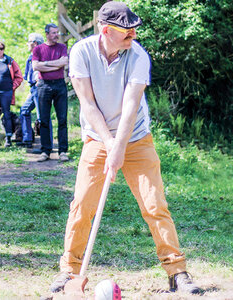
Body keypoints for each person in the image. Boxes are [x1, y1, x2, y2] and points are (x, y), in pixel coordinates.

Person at [50, 1, 200, 294]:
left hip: (137, 140)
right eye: (126, 28)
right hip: (97, 139)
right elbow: (87, 103)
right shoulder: (81, 52)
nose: (133, 32)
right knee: (81, 205)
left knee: (154, 205)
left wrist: (120, 147)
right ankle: (69, 273)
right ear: (106, 30)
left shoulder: (138, 56)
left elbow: (131, 107)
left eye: (134, 27)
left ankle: (176, 272)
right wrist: (109, 144)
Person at [32, 23, 69, 162]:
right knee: (44, 120)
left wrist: (45, 64)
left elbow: (64, 62)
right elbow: (36, 66)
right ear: (47, 34)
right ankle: (45, 151)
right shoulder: (38, 49)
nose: (56, 35)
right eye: (53, 33)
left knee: (62, 119)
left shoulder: (62, 47)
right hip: (44, 86)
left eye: (57, 32)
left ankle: (63, 151)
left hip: (60, 84)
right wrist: (55, 63)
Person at [0, 41, 23, 147]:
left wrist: (12, 87)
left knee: (7, 114)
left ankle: (8, 138)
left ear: (4, 49)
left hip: (6, 92)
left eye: (1, 48)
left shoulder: (10, 61)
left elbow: (19, 76)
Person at [17, 33, 44, 149]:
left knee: (41, 116)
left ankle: (45, 145)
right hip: (33, 89)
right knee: (24, 110)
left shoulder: (41, 55)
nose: (27, 44)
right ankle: (27, 139)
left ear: (35, 43)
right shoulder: (31, 56)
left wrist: (39, 81)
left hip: (39, 87)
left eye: (29, 41)